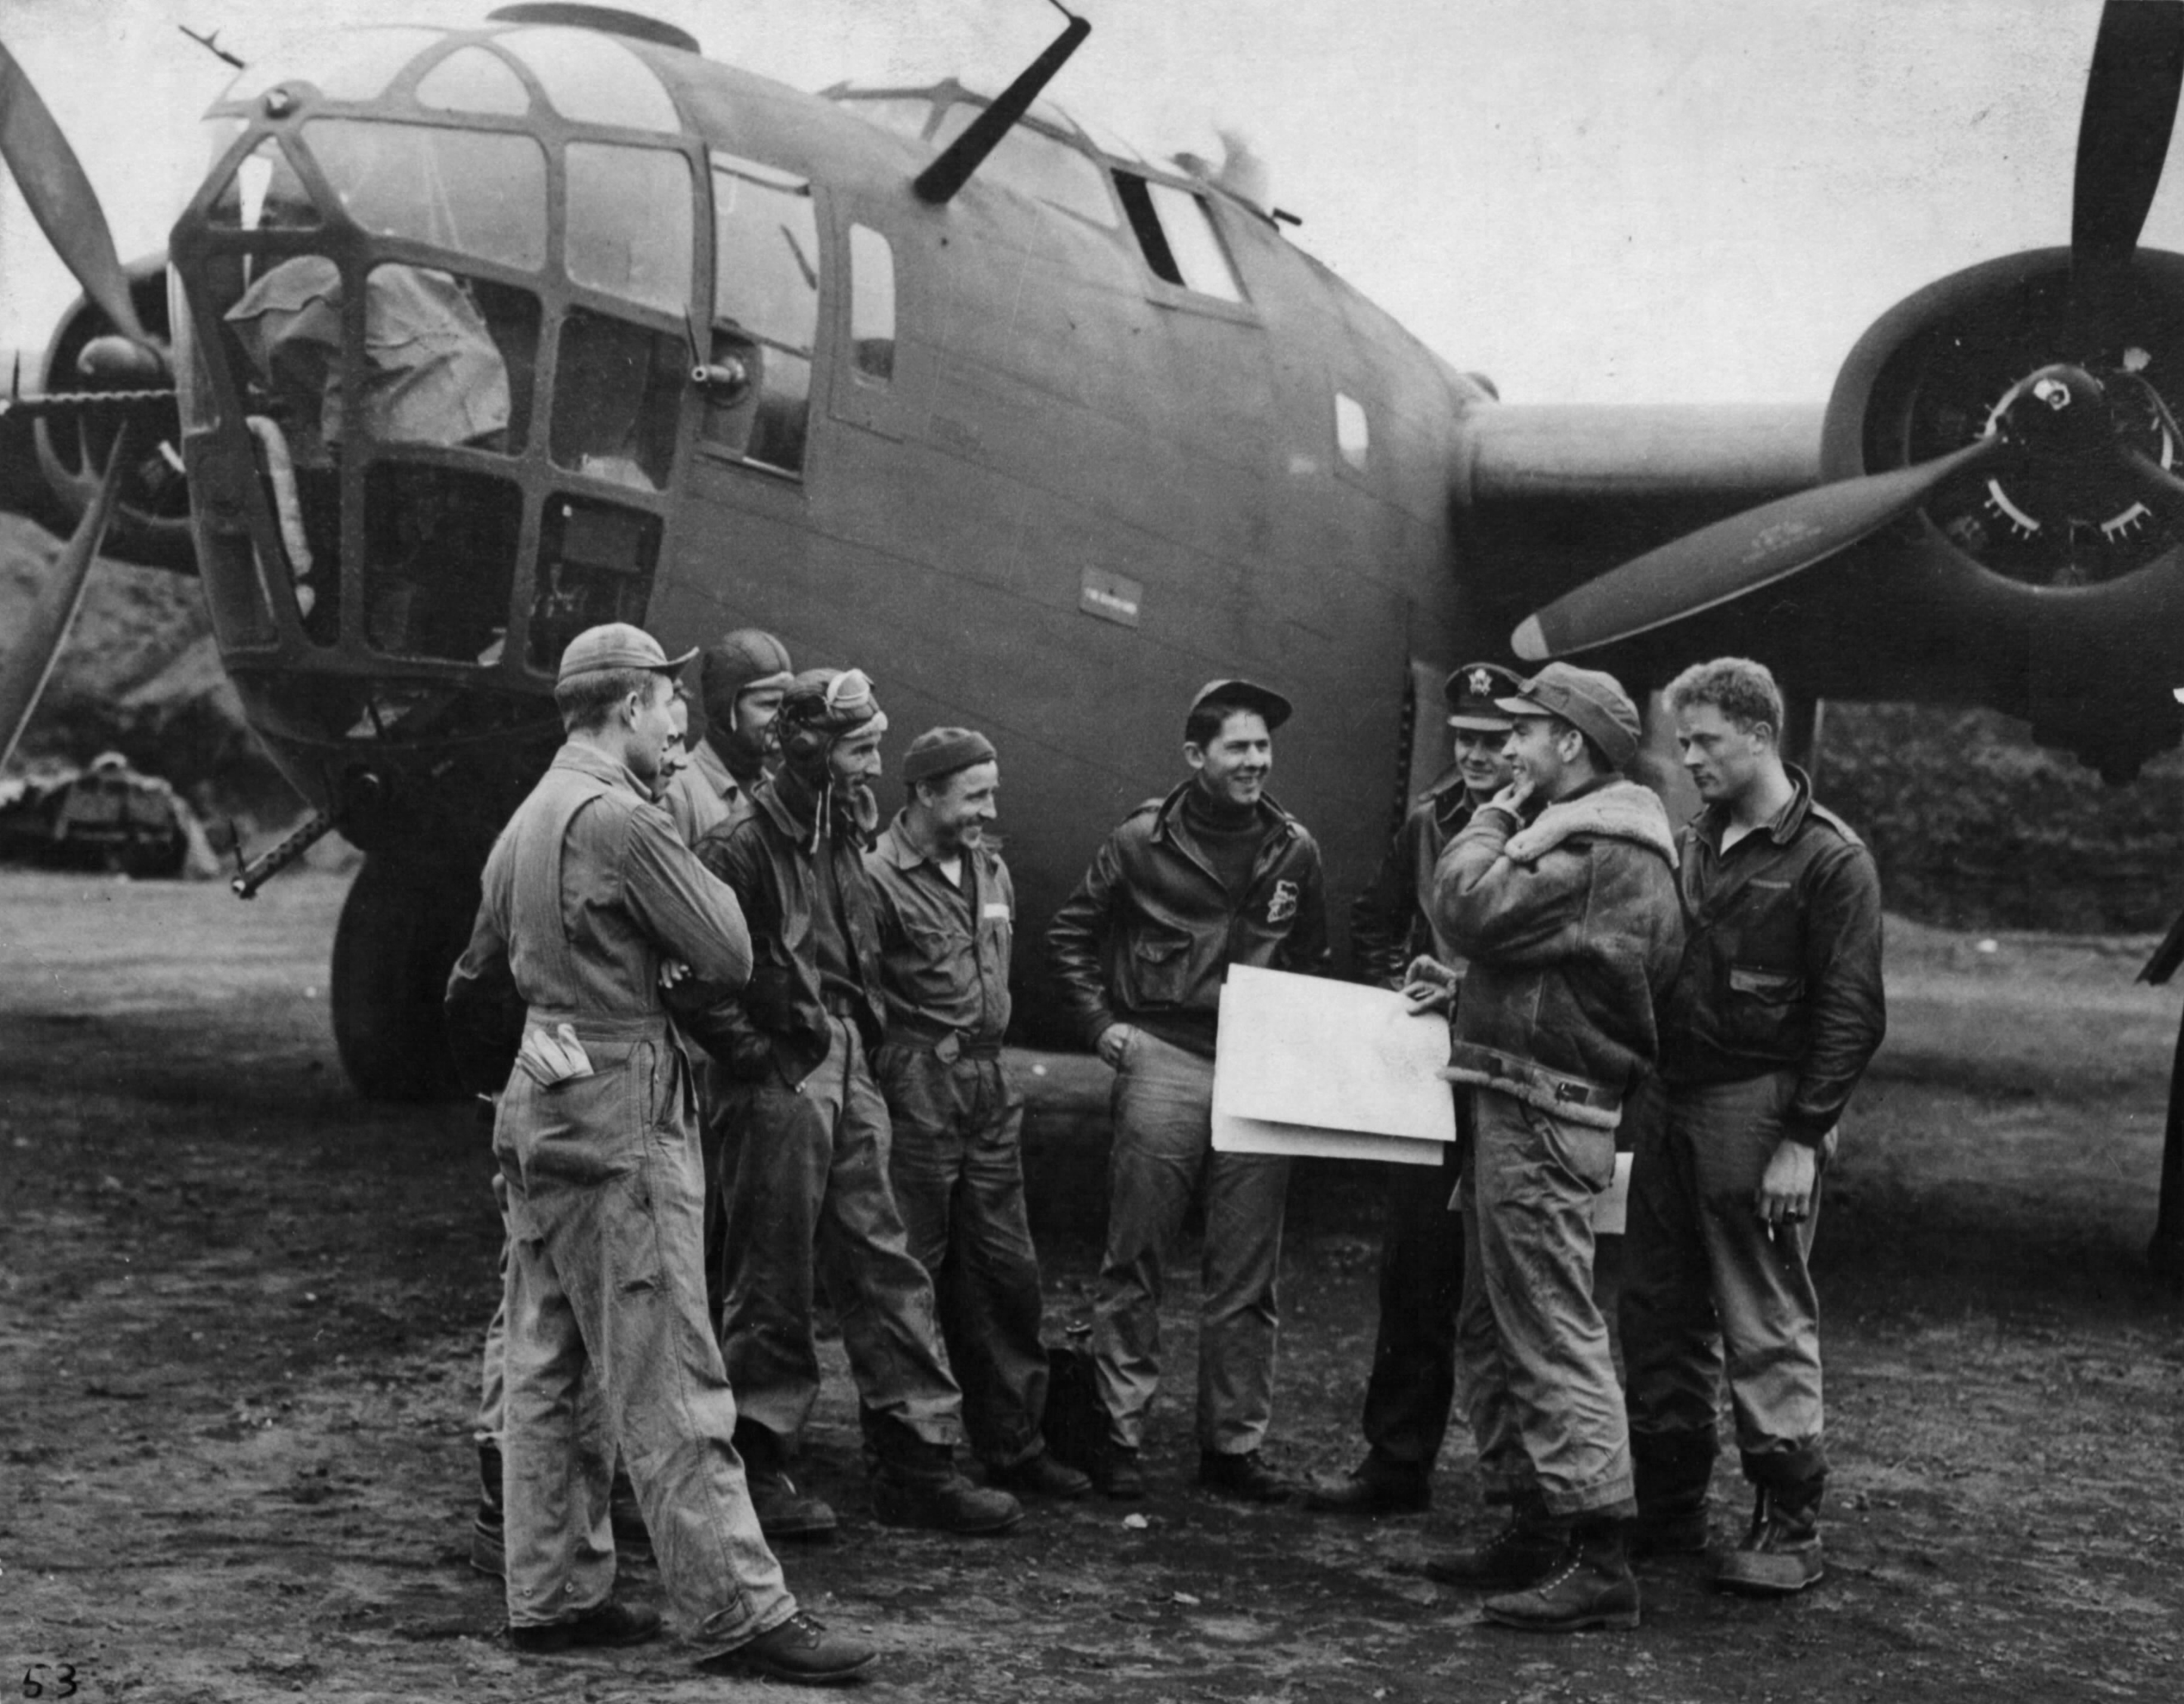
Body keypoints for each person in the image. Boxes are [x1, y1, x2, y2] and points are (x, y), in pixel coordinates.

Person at [442, 622, 875, 1685]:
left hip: (538, 1106)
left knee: (548, 1363)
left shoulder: (527, 817)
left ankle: (552, 1596)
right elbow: (726, 942)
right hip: (624, 1107)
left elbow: (478, 977)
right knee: (672, 1368)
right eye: (669, 704)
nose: (681, 721)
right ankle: (737, 1607)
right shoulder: (623, 819)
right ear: (632, 705)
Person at [694, 669, 1023, 1541]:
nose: (875, 765)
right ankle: (758, 1461)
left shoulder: (842, 834)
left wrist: (852, 1050)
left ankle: (915, 1458)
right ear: (807, 749)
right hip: (781, 1072)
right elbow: (689, 976)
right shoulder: (737, 846)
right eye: (859, 748)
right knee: (771, 1271)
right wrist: (757, 1056)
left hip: (843, 1057)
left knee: (886, 1255)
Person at [1423, 661, 1683, 1633]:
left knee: (1546, 1324)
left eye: (1524, 732)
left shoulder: (1596, 847)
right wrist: (1465, 990)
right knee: (1497, 1322)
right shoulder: (1592, 838)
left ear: (1570, 745)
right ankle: (1537, 1523)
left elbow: (1468, 907)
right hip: (1524, 1096)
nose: (1508, 749)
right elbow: (1547, 969)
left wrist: (1492, 816)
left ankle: (1596, 1552)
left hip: (1543, 1110)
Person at [1619, 658, 1885, 1596]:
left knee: (1761, 1309)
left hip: (1757, 1102)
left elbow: (1851, 1013)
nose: (1686, 757)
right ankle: (1668, 1508)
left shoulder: (1829, 858)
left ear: (1761, 734)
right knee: (1654, 1304)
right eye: (1681, 740)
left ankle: (1787, 1522)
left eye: (1704, 741)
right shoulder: (1692, 841)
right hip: (1666, 1097)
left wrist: (1801, 1138)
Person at [1046, 678, 1331, 1502]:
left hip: (1258, 1068)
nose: (1255, 763)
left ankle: (1232, 1446)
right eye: (1239, 747)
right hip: (1164, 1056)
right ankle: (1117, 1431)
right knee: (1133, 1256)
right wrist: (1102, 1024)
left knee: (1247, 1268)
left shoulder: (1294, 848)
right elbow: (1073, 930)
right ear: (1195, 755)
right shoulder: (1141, 840)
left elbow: (1310, 954)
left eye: (1263, 749)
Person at [1308, 662, 1519, 1516]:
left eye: (1492, 743)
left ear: (1525, 745)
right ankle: (1396, 1462)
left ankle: (1524, 1487)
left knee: (1514, 1283)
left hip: (1514, 1072)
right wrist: (1395, 995)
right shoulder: (1431, 822)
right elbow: (1371, 913)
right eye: (1462, 740)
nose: (1473, 756)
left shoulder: (1552, 825)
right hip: (1432, 1080)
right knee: (1414, 1273)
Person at [865, 729, 1091, 1501]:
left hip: (989, 1085)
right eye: (974, 796)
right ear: (925, 794)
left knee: (1003, 1267)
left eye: (991, 793)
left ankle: (1012, 1440)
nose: (989, 810)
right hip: (918, 1081)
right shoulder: (875, 877)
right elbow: (860, 995)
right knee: (911, 1268)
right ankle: (911, 1450)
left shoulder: (991, 867)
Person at [683, 628, 796, 839]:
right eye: (769, 705)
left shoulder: (779, 796)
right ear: (726, 709)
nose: (783, 720)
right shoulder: (678, 792)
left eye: (786, 707)